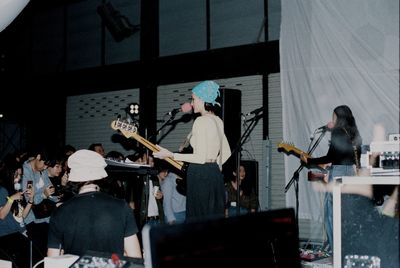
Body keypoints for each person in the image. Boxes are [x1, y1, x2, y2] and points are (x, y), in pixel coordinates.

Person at [153, 80, 231, 221]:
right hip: (214, 174)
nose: (192, 103)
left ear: (202, 99)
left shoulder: (200, 121)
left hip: (199, 174)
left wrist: (171, 155)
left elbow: (200, 158)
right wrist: (214, 167)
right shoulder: (218, 120)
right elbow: (227, 152)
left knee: (198, 221)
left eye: (194, 99)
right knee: (213, 221)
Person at [47, 149, 142, 258]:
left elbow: (53, 259)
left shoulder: (60, 211)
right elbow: (135, 257)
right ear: (101, 175)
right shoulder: (121, 207)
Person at [300, 105, 362, 254]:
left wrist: (309, 161)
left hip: (339, 173)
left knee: (331, 213)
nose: (332, 119)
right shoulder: (354, 133)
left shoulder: (338, 132)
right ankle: (347, 248)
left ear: (339, 117)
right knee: (346, 215)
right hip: (351, 175)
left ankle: (336, 250)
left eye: (334, 116)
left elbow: (331, 157)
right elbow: (353, 157)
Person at [0, 159, 35, 268]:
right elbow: (1, 215)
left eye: (20, 175)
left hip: (20, 232)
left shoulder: (14, 190)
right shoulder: (2, 190)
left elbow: (22, 216)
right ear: (8, 173)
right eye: (16, 174)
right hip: (8, 236)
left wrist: (31, 200)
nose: (19, 178)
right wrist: (11, 199)